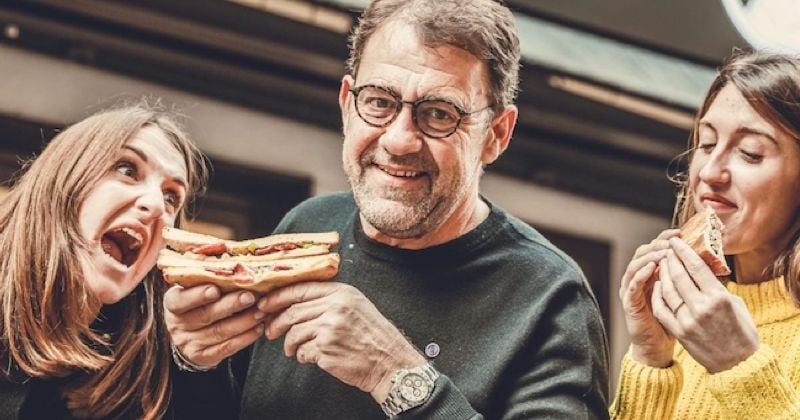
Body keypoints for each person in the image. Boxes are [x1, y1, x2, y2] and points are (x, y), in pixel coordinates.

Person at [167, 0, 609, 418]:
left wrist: (395, 374)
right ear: (347, 106)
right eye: (379, 101)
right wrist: (194, 364)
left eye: (439, 114)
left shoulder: (550, 299)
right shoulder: (306, 228)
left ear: (496, 135)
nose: (399, 140)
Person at [610, 51, 800, 419]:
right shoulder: (690, 317)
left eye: (750, 152)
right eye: (707, 143)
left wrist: (739, 364)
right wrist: (650, 356)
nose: (710, 172)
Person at [0, 102, 208, 419]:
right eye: (127, 170)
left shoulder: (151, 374)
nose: (154, 205)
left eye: (171, 197)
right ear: (63, 178)